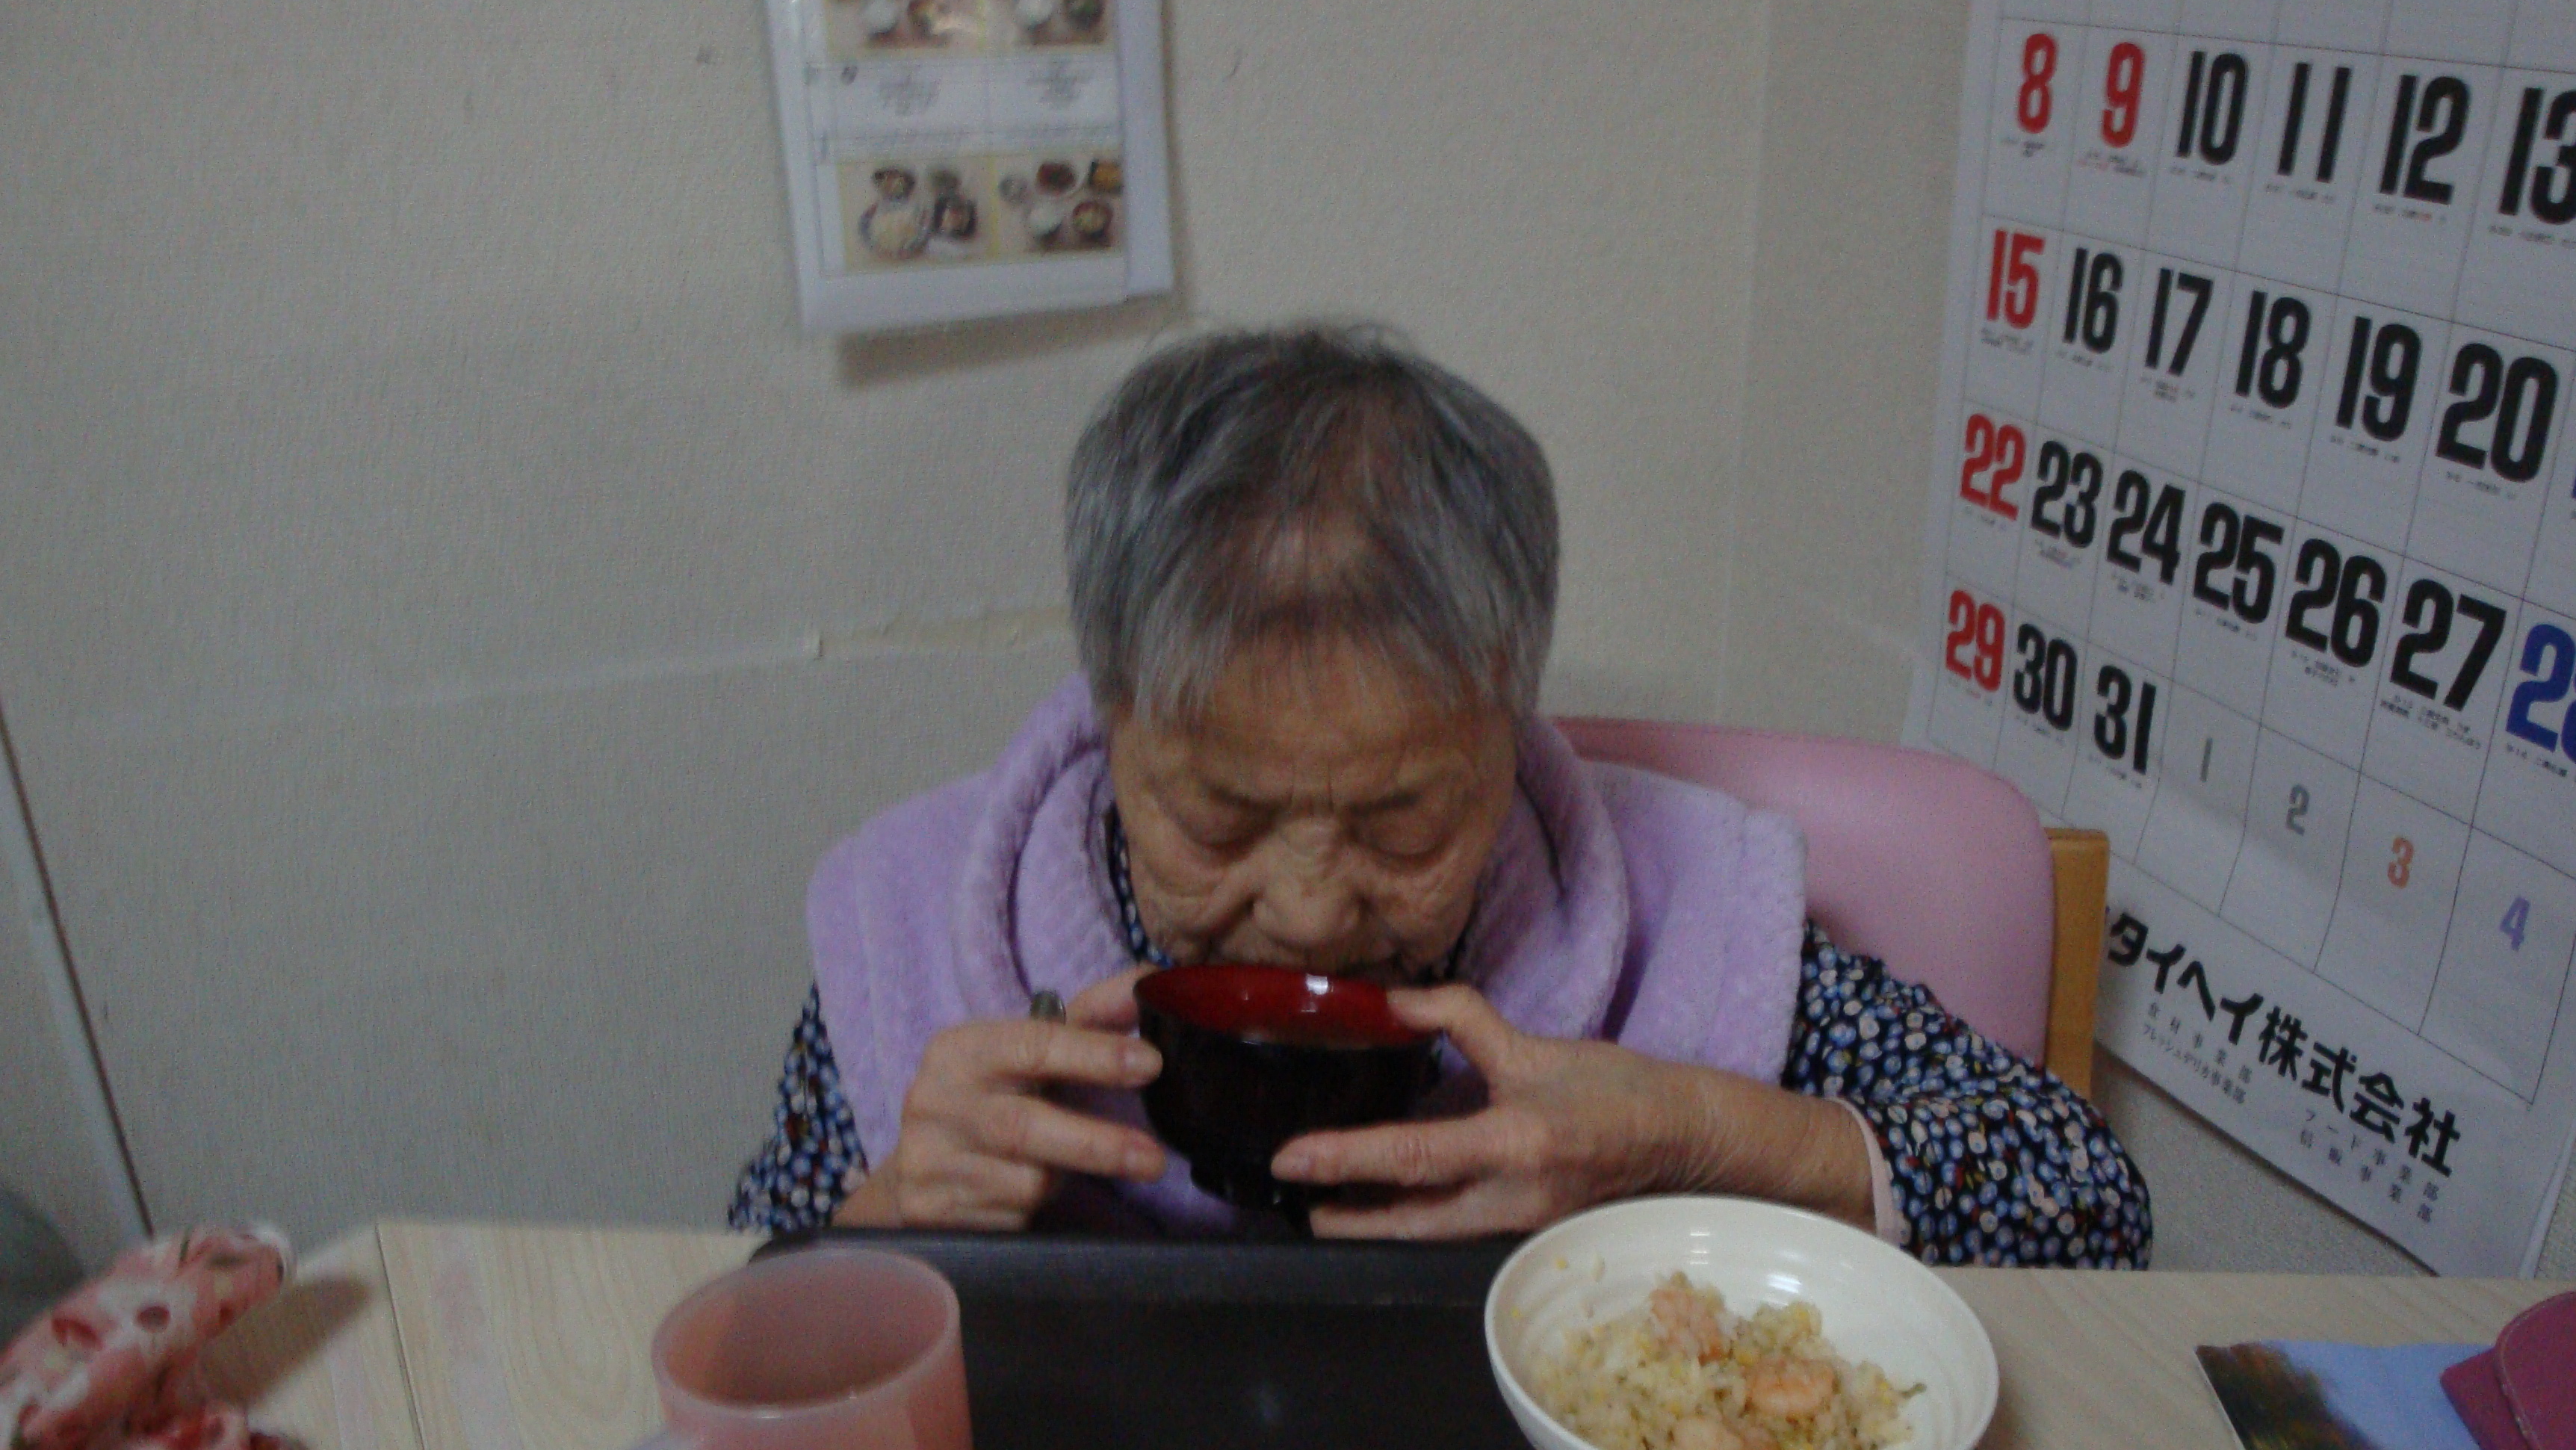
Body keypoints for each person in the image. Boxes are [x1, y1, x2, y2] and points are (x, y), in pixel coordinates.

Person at [732, 325, 2150, 1263]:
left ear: (1507, 726)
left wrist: (1690, 1134)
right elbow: (739, 1316)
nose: (1309, 913)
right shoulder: (932, 925)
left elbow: (2080, 1203)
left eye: (1403, 823)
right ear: (1113, 724)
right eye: (1220, 821)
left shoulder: (1670, 918)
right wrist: (893, 1209)